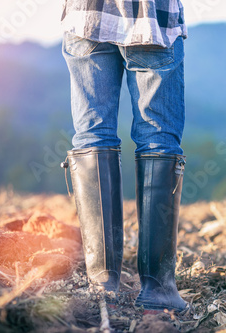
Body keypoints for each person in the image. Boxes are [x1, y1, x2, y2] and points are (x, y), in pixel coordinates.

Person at [60, 0, 188, 312]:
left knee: (93, 135)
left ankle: (102, 286)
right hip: (152, 17)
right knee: (157, 139)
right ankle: (157, 292)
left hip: (87, 15)